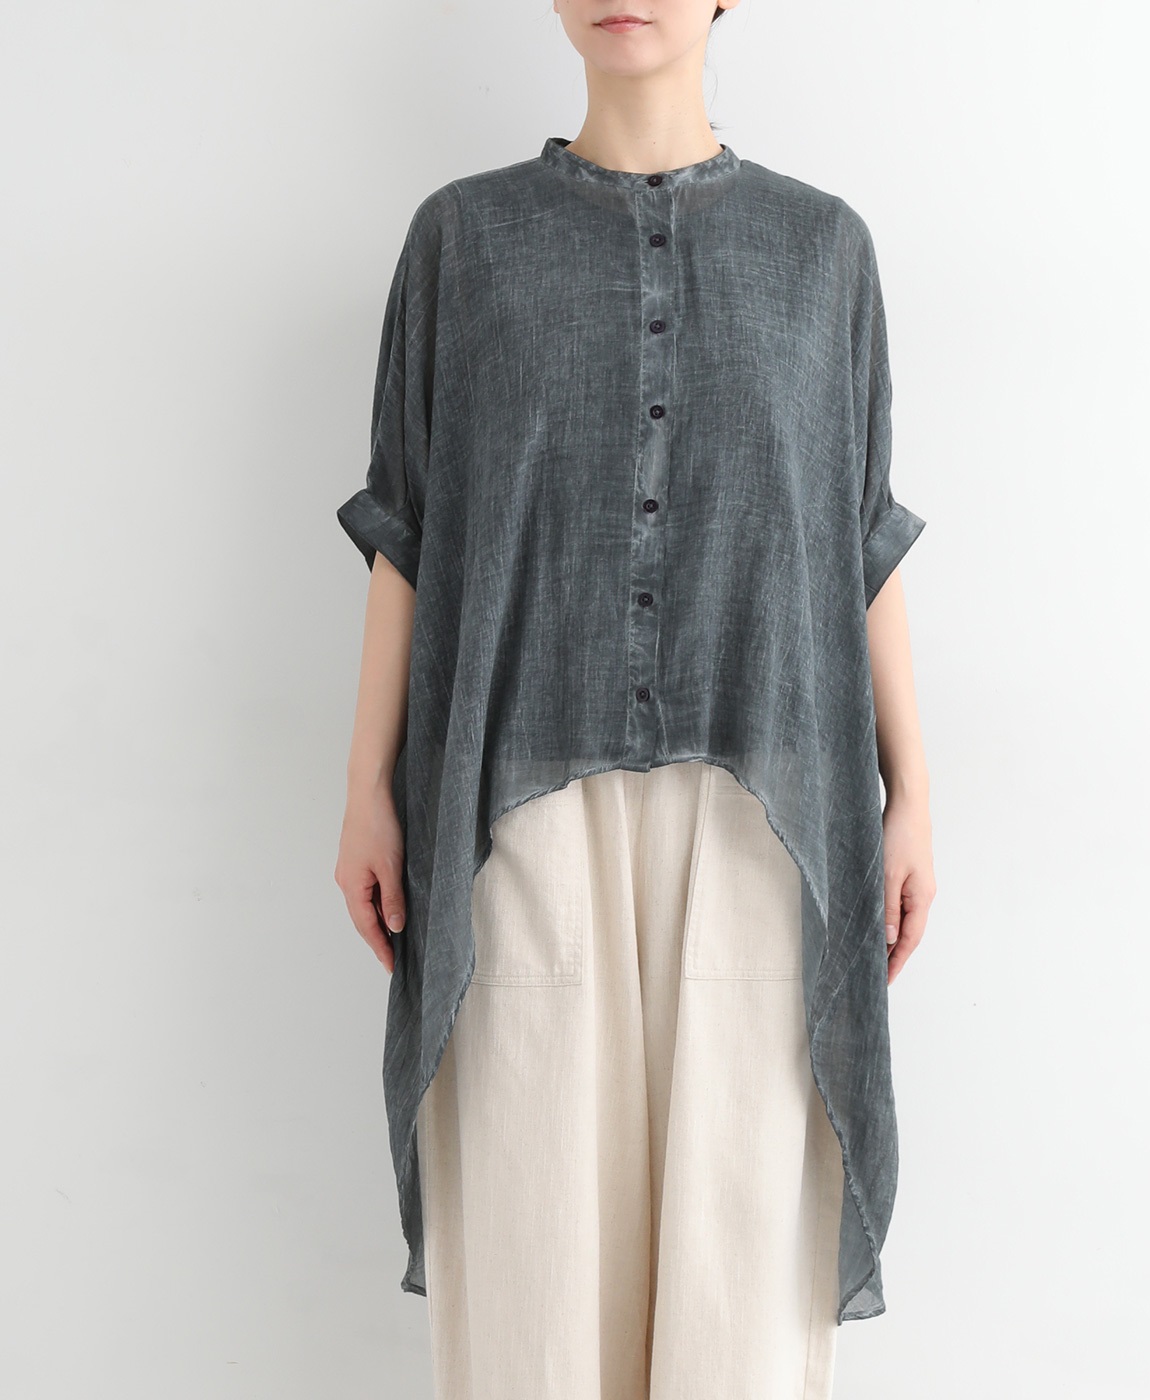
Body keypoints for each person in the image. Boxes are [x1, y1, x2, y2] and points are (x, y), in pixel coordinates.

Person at [334, 2, 936, 1395]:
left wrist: (912, 790)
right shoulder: (462, 242)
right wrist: (366, 785)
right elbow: (406, 532)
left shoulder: (824, 251)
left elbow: (860, 536)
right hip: (515, 814)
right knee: (533, 1265)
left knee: (742, 1271)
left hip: (768, 819)